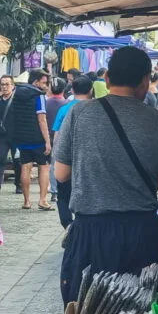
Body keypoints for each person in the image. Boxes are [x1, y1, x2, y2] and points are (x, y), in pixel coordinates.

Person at [54, 46, 158, 310]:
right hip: (140, 233)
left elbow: (61, 174)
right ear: (146, 80)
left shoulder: (79, 113)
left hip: (91, 232)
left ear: (107, 78)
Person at [6, 69, 52, 211]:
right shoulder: (38, 96)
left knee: (25, 167)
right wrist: (47, 140)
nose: (46, 86)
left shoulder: (16, 93)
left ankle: (26, 201)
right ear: (36, 82)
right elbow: (42, 119)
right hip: (37, 137)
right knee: (43, 167)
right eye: (44, 82)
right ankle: (42, 200)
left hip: (21, 137)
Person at [52, 76, 94, 229]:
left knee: (63, 195)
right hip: (89, 160)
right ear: (91, 90)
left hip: (66, 160)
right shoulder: (96, 108)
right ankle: (82, 225)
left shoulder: (64, 109)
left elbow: (57, 136)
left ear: (72, 90)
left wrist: (56, 157)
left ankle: (68, 225)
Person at [0, 75, 21, 195]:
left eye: (7, 84)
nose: (4, 87)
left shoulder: (17, 99)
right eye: (2, 84)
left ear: (13, 86)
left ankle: (18, 184)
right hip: (2, 135)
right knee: (0, 160)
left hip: (16, 136)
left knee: (17, 161)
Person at [45, 78, 68, 202]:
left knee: (52, 165)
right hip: (64, 138)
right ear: (64, 89)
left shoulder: (46, 103)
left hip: (48, 138)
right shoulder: (67, 105)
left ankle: (54, 191)